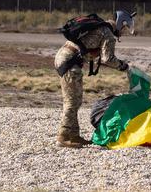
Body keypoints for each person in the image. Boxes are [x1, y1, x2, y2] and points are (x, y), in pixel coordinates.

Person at [54, 10, 135, 148]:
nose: (123, 32)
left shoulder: (101, 27)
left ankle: (73, 135)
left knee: (76, 99)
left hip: (65, 59)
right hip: (69, 62)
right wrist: (125, 67)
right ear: (121, 23)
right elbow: (107, 59)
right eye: (124, 29)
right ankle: (63, 136)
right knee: (72, 101)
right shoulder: (108, 34)